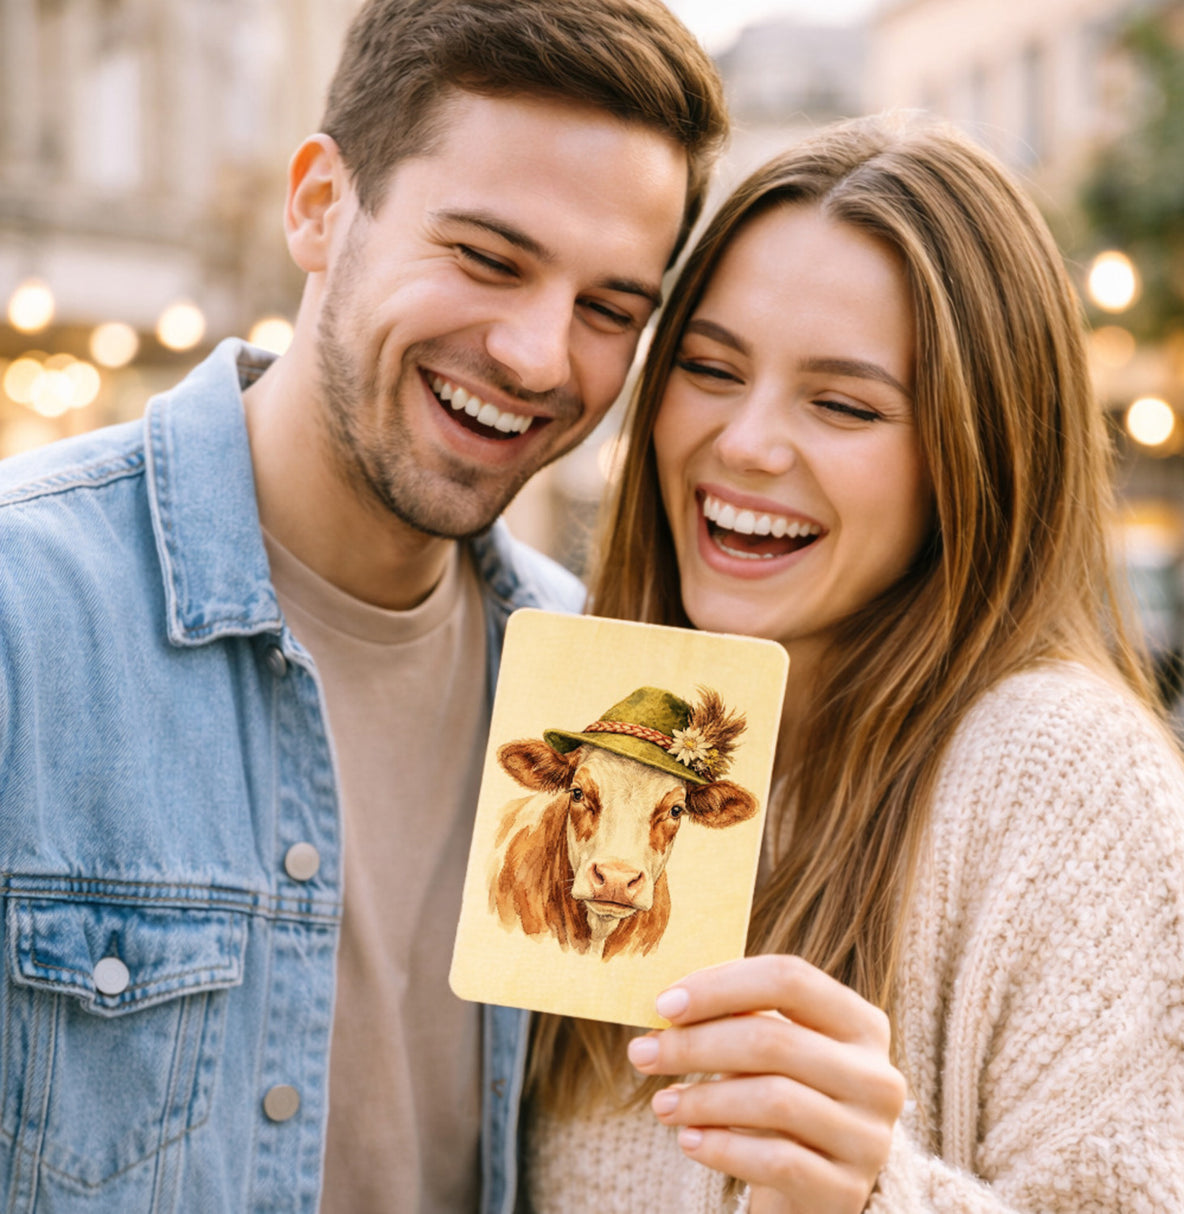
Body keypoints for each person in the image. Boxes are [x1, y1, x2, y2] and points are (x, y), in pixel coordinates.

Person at [0, 3, 727, 1212]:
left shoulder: (598, 684)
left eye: (608, 309)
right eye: (486, 257)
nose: (539, 356)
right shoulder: (26, 610)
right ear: (319, 206)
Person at [522, 114, 1184, 1212]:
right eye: (709, 368)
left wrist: (871, 1194)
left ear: (974, 453)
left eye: (842, 404)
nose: (745, 441)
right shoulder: (601, 712)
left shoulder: (1066, 779)